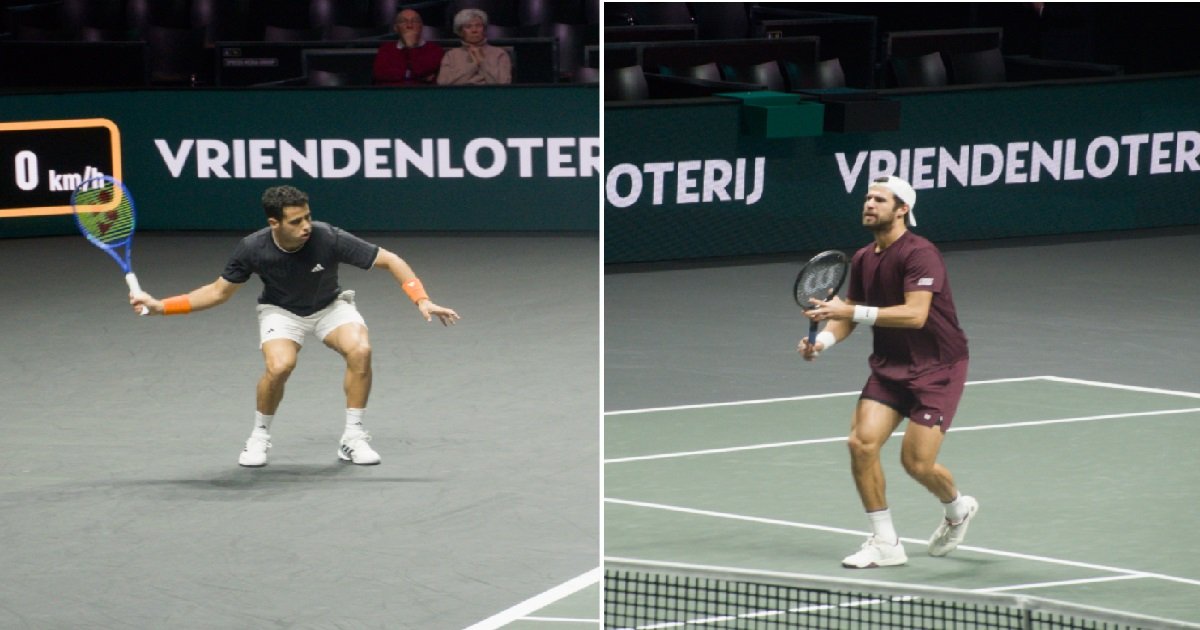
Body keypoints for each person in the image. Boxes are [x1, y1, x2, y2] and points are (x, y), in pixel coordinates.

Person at [129, 185, 459, 468]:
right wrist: (161, 307)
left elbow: (391, 260)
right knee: (280, 366)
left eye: (308, 217)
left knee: (361, 350)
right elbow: (217, 293)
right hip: (281, 311)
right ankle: (258, 437)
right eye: (296, 221)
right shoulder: (252, 248)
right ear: (274, 223)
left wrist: (422, 300)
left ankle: (353, 437)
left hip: (331, 306)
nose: (306, 226)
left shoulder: (327, 237)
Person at [798, 176, 977, 569]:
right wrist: (822, 342)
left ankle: (957, 507)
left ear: (902, 210)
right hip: (890, 368)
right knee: (861, 444)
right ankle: (885, 542)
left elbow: (915, 315)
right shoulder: (863, 257)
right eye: (867, 198)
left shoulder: (921, 253)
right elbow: (849, 316)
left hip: (938, 368)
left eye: (880, 199)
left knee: (916, 464)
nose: (869, 204)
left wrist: (848, 310)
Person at [436, 8, 512, 85]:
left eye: (478, 26)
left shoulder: (499, 53)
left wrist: (482, 63)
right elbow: (443, 84)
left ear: (484, 29)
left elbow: (503, 83)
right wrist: (474, 65)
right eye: (468, 27)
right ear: (460, 31)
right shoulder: (451, 55)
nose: (474, 30)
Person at [372, 8, 444, 86]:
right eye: (403, 21)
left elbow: (421, 70)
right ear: (396, 28)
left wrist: (411, 47)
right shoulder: (386, 50)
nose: (410, 25)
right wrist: (415, 76)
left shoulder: (435, 50)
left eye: (415, 21)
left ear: (421, 27)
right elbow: (380, 74)